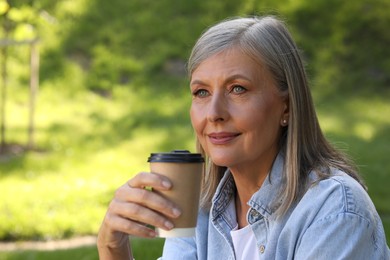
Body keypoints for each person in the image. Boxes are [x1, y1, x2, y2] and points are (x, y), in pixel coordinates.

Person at [97, 16, 390, 259]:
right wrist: (113, 247)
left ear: (286, 107)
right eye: (201, 92)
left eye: (238, 89)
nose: (214, 113)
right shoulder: (199, 205)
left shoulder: (333, 210)